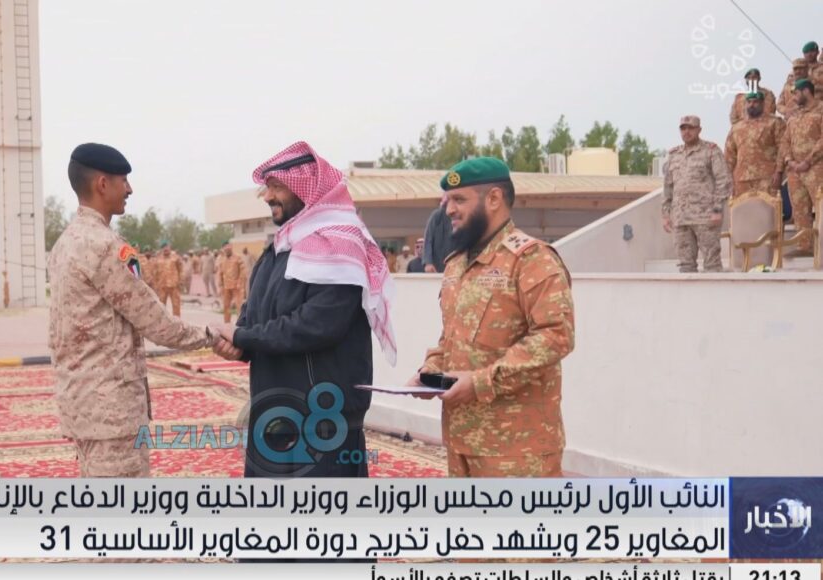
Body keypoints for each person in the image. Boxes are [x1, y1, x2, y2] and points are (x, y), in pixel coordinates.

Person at [214, 141, 397, 481]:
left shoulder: (338, 244)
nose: (268, 196)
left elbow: (315, 326)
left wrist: (243, 337)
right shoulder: (279, 249)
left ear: (305, 187)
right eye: (267, 187)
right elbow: (254, 316)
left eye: (277, 187)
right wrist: (238, 345)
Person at [48, 143, 222, 477]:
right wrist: (213, 336)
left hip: (82, 406)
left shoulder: (64, 244)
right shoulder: (105, 247)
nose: (129, 189)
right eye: (123, 181)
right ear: (102, 184)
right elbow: (157, 323)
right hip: (111, 413)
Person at [408, 157, 574, 477]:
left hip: (517, 449)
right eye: (447, 201)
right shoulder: (456, 263)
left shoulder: (531, 260)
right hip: (462, 440)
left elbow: (555, 336)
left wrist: (481, 382)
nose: (449, 210)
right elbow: (453, 335)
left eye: (459, 200)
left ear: (494, 198)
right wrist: (431, 370)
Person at [662, 116, 732, 273]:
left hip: (705, 218)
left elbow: (723, 181)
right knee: (685, 266)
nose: (686, 132)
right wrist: (666, 214)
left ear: (699, 130)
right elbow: (667, 187)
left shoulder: (711, 151)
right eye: (683, 128)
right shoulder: (674, 154)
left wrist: (717, 210)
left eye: (690, 128)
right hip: (681, 218)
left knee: (712, 265)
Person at [779, 79, 823, 254]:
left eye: (796, 93)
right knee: (799, 209)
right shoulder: (794, 116)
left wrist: (808, 161)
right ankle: (805, 246)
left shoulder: (820, 111)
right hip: (795, 171)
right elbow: (785, 141)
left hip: (816, 169)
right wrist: (790, 161)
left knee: (821, 207)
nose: (793, 97)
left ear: (806, 91)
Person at [725, 92, 785, 199]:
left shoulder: (774, 123)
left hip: (767, 177)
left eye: (755, 102)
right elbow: (729, 155)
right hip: (741, 179)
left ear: (762, 104)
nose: (751, 105)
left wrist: (779, 171)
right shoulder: (737, 127)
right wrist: (728, 178)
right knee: (743, 208)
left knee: (768, 208)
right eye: (749, 102)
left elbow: (783, 148)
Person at [422, 202, 455, 272]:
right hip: (437, 265)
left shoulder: (462, 216)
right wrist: (428, 262)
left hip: (456, 263)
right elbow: (428, 239)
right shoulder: (437, 215)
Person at [217, 243, 245, 323]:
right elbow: (220, 273)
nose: (227, 251)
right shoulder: (222, 260)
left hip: (236, 286)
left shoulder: (238, 258)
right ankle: (227, 323)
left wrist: (240, 282)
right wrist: (220, 285)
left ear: (231, 249)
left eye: (228, 250)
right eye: (225, 250)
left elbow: (243, 271)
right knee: (226, 306)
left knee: (239, 305)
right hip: (226, 286)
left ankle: (240, 323)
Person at [154, 242, 183, 316]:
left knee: (176, 305)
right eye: (164, 247)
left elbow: (181, 270)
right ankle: (162, 321)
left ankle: (177, 320)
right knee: (161, 306)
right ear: (161, 249)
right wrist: (156, 285)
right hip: (162, 286)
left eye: (167, 247)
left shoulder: (176, 257)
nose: (165, 249)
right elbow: (155, 273)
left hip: (174, 285)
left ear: (170, 247)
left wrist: (180, 281)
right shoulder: (158, 259)